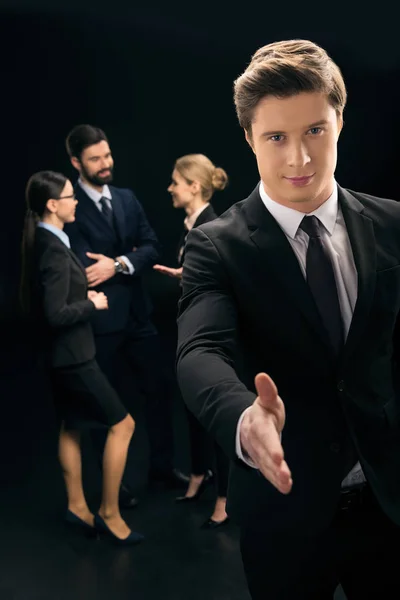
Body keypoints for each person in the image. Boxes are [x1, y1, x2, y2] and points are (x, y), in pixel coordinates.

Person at [176, 39, 400, 599]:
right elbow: (200, 351)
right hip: (286, 516)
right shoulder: (215, 247)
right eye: (276, 137)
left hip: (390, 503)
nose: (298, 157)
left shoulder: (394, 224)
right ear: (250, 138)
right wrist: (242, 422)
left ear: (340, 122)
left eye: (314, 131)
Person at [64, 125, 188, 505]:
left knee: (159, 391)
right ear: (76, 163)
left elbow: (151, 246)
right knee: (107, 404)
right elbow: (85, 269)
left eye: (107, 155)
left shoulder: (126, 198)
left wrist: (118, 264)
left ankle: (163, 470)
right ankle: (113, 485)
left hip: (138, 314)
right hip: (101, 322)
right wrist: (126, 261)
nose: (105, 164)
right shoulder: (70, 206)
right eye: (95, 159)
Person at [20, 170, 143, 545]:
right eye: (71, 197)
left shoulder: (47, 240)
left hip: (61, 356)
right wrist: (90, 303)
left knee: (70, 426)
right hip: (74, 357)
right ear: (53, 205)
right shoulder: (53, 250)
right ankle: (108, 512)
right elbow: (56, 313)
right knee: (123, 425)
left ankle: (76, 506)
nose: (76, 201)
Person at [154, 154, 231, 527]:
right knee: (192, 407)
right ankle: (200, 474)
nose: (170, 188)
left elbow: (226, 284)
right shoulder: (192, 226)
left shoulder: (211, 226)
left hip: (211, 337)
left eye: (175, 182)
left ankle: (225, 497)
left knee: (214, 413)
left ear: (194, 187)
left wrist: (191, 277)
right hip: (191, 331)